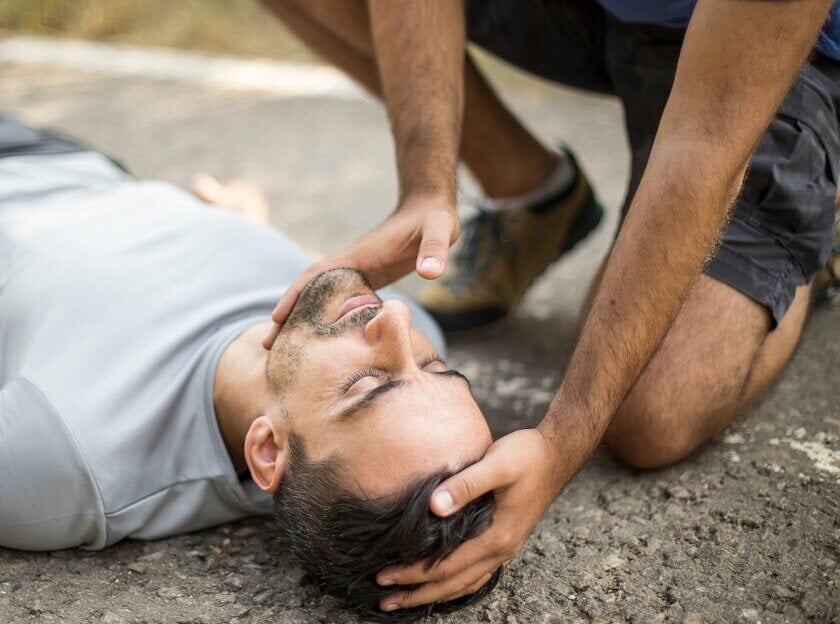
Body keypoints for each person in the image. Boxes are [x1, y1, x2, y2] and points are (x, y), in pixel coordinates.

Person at [0, 6, 502, 620]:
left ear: (268, 450)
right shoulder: (363, 320)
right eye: (436, 368)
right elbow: (371, 316)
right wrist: (249, 227)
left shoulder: (71, 460)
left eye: (369, 382)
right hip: (80, 172)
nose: (398, 324)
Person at [260, 0, 840, 612]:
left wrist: (563, 439)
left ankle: (814, 221)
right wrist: (426, 186)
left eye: (434, 367)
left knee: (651, 415)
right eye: (434, 365)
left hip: (761, 60)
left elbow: (707, 138)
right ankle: (531, 190)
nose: (397, 316)